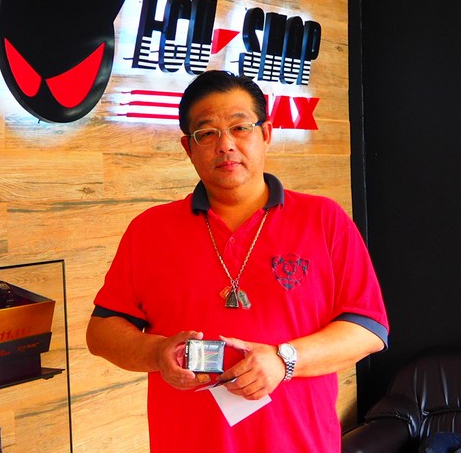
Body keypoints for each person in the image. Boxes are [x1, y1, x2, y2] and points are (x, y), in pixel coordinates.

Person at [86, 70, 389, 453]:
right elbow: (102, 332)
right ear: (188, 147)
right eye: (207, 133)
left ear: (266, 134)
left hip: (299, 444)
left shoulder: (323, 220)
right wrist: (157, 354)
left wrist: (285, 360)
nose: (225, 144)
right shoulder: (149, 231)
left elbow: (368, 328)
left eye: (240, 127)